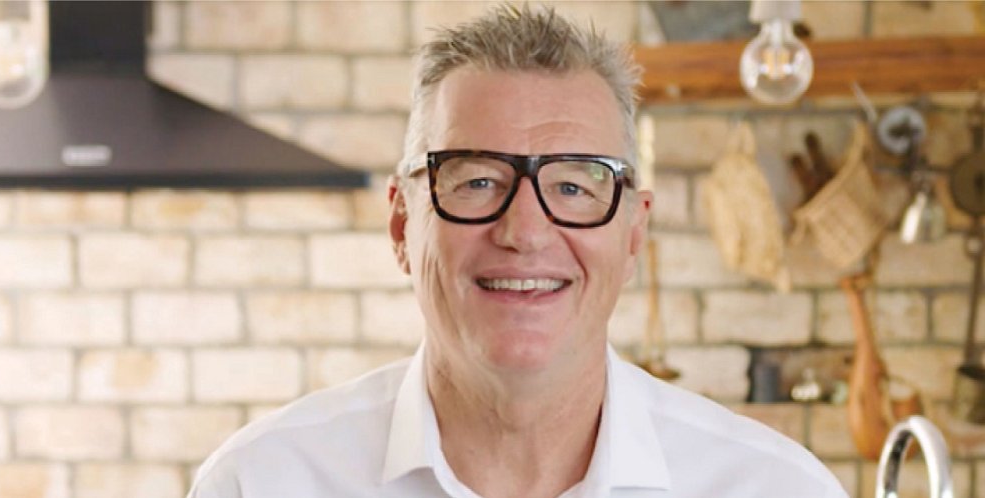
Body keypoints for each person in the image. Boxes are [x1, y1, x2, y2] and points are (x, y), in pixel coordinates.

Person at [189, 5, 847, 497]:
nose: (525, 231)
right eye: (477, 181)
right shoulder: (262, 482)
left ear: (633, 235)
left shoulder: (775, 488)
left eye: (573, 183)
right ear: (400, 224)